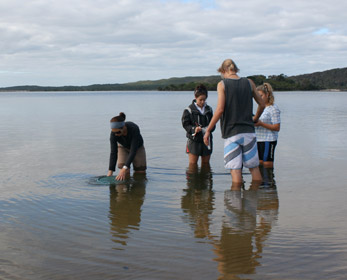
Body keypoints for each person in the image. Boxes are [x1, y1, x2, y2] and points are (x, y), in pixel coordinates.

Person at [203, 59, 265, 187]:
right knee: (254, 168)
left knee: (235, 170)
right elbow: (262, 104)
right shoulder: (249, 83)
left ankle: (236, 204)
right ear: (235, 70)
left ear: (224, 71)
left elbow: (220, 110)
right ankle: (256, 198)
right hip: (249, 132)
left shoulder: (222, 84)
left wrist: (208, 129)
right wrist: (255, 119)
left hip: (232, 134)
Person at [182, 84, 215, 165]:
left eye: (204, 99)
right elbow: (185, 125)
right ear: (195, 97)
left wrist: (209, 129)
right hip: (194, 141)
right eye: (200, 100)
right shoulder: (188, 110)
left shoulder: (209, 109)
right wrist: (194, 129)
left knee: (206, 165)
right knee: (192, 166)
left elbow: (213, 124)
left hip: (207, 140)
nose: (203, 102)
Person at [107, 112, 146, 181]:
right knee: (124, 171)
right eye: (114, 132)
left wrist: (125, 168)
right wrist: (111, 170)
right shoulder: (113, 134)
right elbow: (113, 152)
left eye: (118, 132)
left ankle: (138, 188)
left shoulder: (134, 128)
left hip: (137, 148)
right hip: (122, 147)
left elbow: (133, 151)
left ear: (124, 127)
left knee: (140, 171)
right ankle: (125, 188)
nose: (116, 134)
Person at [254, 83, 281, 168]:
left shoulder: (273, 108)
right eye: (257, 96)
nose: (259, 98)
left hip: (268, 140)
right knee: (260, 165)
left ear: (267, 94)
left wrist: (261, 123)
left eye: (261, 96)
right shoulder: (261, 108)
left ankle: (270, 181)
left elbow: (277, 127)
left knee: (267, 166)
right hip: (259, 140)